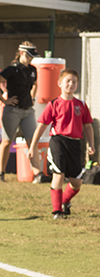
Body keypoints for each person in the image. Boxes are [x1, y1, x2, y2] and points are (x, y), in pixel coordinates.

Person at [27, 69, 95, 219]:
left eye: (74, 82)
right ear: (60, 83)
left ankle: (64, 201)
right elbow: (41, 126)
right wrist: (32, 146)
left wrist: (91, 144)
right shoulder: (53, 104)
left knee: (77, 182)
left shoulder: (81, 105)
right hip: (58, 142)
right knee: (58, 175)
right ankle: (57, 211)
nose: (71, 84)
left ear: (77, 85)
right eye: (67, 81)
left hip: (76, 144)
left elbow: (88, 126)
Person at [0, 42, 41, 182]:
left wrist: (32, 97)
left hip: (28, 111)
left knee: (32, 141)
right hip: (13, 110)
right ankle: (1, 173)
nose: (31, 59)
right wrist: (4, 100)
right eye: (29, 56)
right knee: (7, 141)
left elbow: (35, 85)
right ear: (21, 53)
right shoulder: (11, 69)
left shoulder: (33, 70)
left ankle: (37, 174)